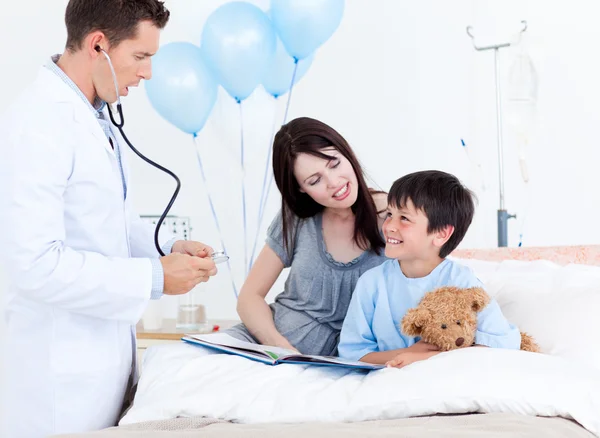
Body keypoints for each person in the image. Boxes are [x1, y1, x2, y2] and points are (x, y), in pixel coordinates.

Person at [0, 1, 218, 437]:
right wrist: (154, 278)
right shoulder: (39, 123)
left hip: (100, 365)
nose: (148, 73)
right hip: (56, 384)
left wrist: (164, 251)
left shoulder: (91, 117)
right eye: (141, 57)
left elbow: (105, 224)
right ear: (98, 44)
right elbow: (34, 265)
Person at [226, 117, 389, 356]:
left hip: (345, 361)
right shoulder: (297, 220)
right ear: (300, 188)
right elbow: (249, 297)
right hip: (271, 347)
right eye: (315, 180)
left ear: (347, 154)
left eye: (334, 164)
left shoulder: (397, 217)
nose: (334, 183)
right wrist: (280, 349)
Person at [337, 170, 522, 367]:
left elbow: (504, 343)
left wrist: (428, 357)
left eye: (404, 218)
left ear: (441, 233)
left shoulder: (461, 281)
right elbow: (351, 353)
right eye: (390, 214)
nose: (389, 225)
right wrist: (406, 354)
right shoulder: (371, 282)